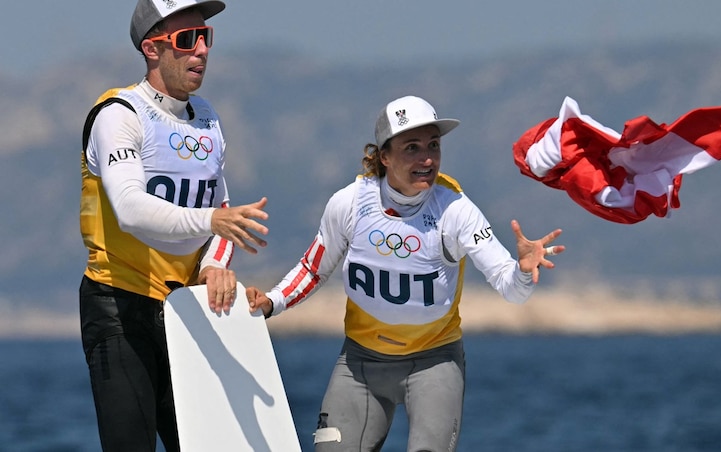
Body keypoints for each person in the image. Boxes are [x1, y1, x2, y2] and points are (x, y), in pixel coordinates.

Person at [246, 95, 565, 451]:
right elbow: (312, 269)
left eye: (433, 145)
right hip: (361, 364)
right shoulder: (349, 203)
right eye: (411, 147)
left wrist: (522, 271)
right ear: (384, 156)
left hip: (434, 363)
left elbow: (512, 289)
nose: (427, 158)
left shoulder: (456, 210)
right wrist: (271, 302)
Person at [79, 1, 269, 450]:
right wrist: (213, 221)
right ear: (151, 49)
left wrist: (214, 265)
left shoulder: (208, 118)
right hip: (119, 306)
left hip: (185, 310)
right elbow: (130, 207)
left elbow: (220, 212)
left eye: (206, 37)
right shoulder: (118, 114)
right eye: (186, 40)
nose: (201, 50)